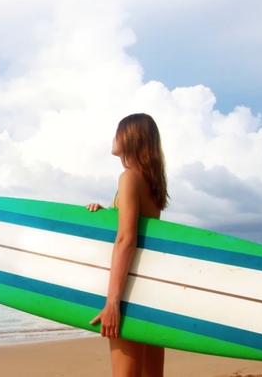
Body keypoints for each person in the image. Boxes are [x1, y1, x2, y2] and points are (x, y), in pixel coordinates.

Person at [86, 113, 169, 377]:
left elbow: (126, 240)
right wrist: (107, 213)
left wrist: (113, 304)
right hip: (152, 292)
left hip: (130, 294)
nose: (113, 138)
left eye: (117, 132)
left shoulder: (130, 177)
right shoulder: (151, 181)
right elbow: (136, 230)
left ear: (130, 137)